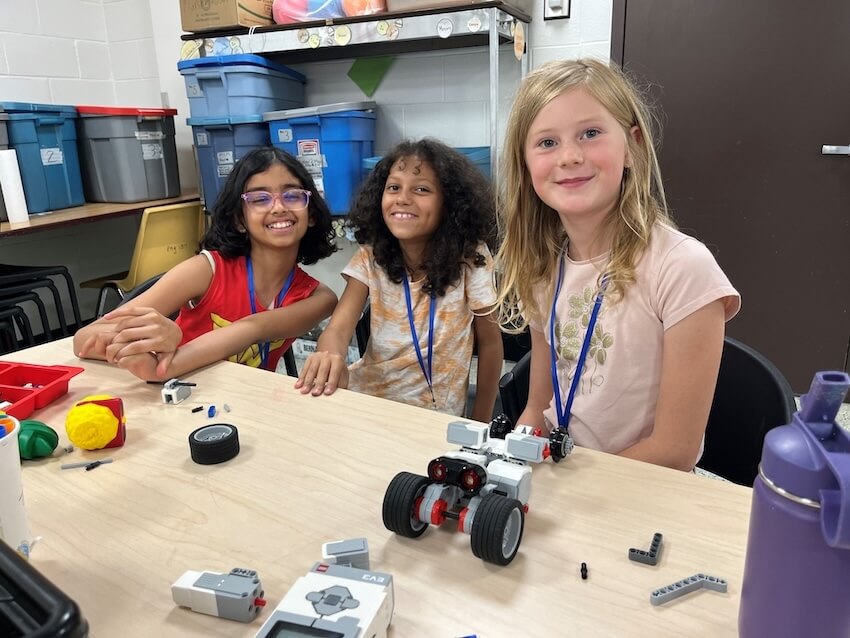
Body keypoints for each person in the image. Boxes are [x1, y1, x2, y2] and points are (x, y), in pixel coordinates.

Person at [496, 58, 741, 471]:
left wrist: (569, 492)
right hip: (563, 481)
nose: (570, 156)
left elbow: (674, 451)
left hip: (644, 489)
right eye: (547, 142)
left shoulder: (682, 268)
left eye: (590, 134)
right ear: (525, 164)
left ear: (633, 146)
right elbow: (538, 407)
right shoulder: (543, 271)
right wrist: (513, 467)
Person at [73, 146, 338, 381]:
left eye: (292, 196)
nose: (279, 207)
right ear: (239, 220)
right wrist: (144, 345)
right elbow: (84, 339)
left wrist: (164, 362)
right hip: (176, 395)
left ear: (311, 213)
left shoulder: (318, 297)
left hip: (247, 405)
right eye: (259, 199)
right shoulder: (206, 270)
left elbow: (253, 328)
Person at [295, 138, 503, 420]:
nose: (403, 198)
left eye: (421, 189)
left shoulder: (471, 258)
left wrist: (481, 421)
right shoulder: (372, 256)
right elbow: (339, 329)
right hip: (371, 404)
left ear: (450, 204)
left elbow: (490, 345)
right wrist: (329, 354)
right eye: (393, 187)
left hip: (437, 416)